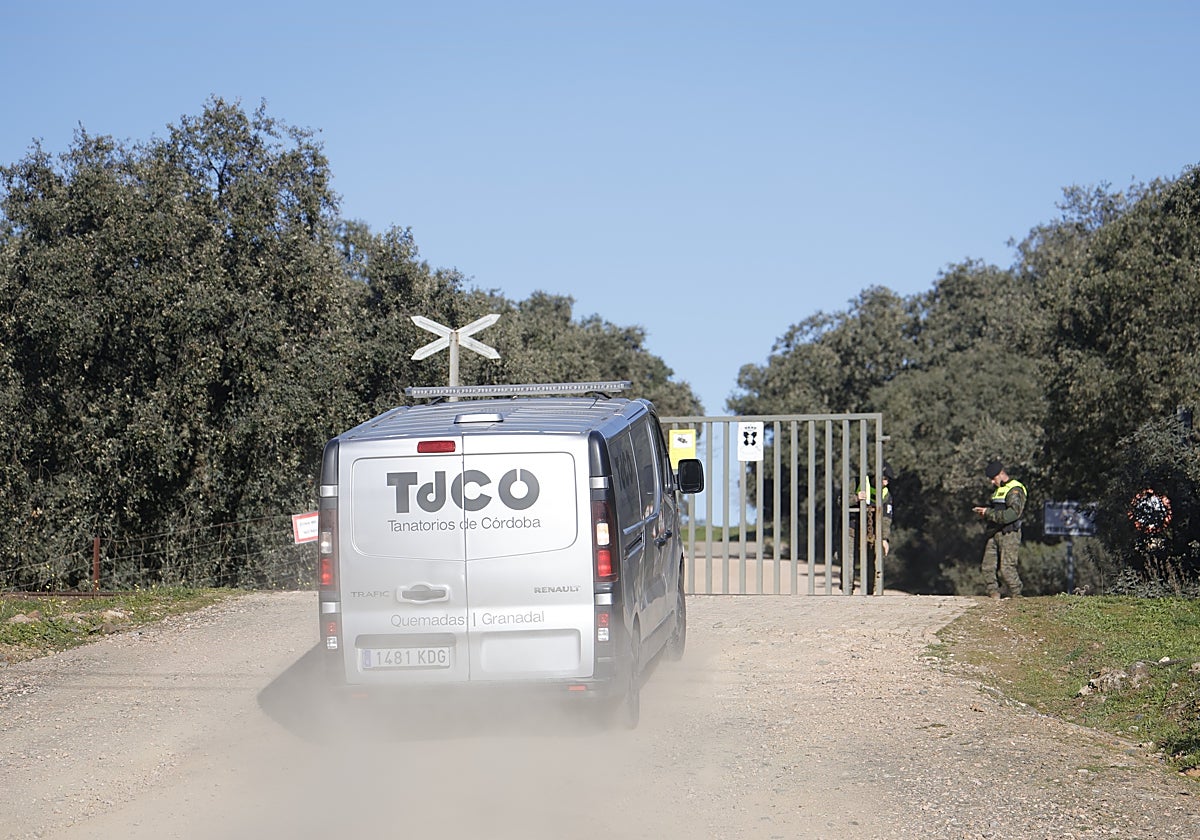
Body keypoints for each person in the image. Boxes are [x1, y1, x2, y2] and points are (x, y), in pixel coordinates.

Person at [972, 460, 1026, 598]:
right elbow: (998, 511)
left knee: (1007, 569)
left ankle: (1016, 595)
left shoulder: (1015, 489)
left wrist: (988, 513)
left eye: (993, 478)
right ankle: (993, 593)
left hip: (1009, 533)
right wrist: (984, 513)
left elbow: (1012, 514)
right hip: (994, 532)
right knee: (988, 566)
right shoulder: (997, 491)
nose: (992, 482)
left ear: (1002, 474)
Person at [846, 462, 893, 594]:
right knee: (849, 563)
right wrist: (856, 498)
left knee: (871, 565)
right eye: (884, 478)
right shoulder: (856, 483)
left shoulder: (886, 494)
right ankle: (847, 592)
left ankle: (869, 594)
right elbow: (840, 500)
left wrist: (884, 539)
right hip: (852, 529)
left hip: (871, 534)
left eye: (887, 480)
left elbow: (886, 518)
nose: (885, 483)